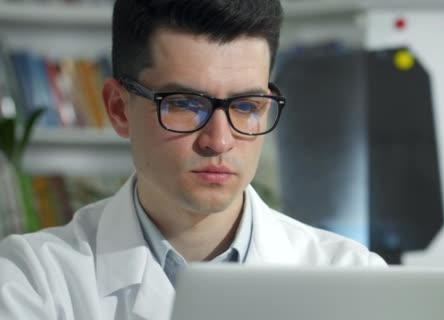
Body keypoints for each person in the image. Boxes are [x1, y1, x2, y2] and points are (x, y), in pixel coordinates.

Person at [0, 1, 386, 319]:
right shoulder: (32, 281)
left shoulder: (353, 280)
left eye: (247, 105)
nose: (219, 140)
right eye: (184, 104)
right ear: (118, 109)